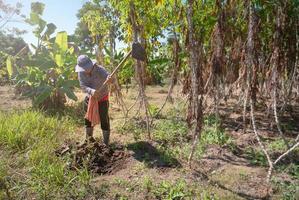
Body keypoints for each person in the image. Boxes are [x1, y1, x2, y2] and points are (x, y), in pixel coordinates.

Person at [75, 55, 112, 145]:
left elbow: (109, 78)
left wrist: (110, 79)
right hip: (90, 97)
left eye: (87, 68)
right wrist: (91, 91)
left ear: (91, 65)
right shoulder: (81, 73)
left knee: (104, 119)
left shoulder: (100, 70)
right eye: (83, 69)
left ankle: (106, 143)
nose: (85, 70)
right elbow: (83, 86)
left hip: (102, 97)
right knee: (88, 118)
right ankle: (89, 140)